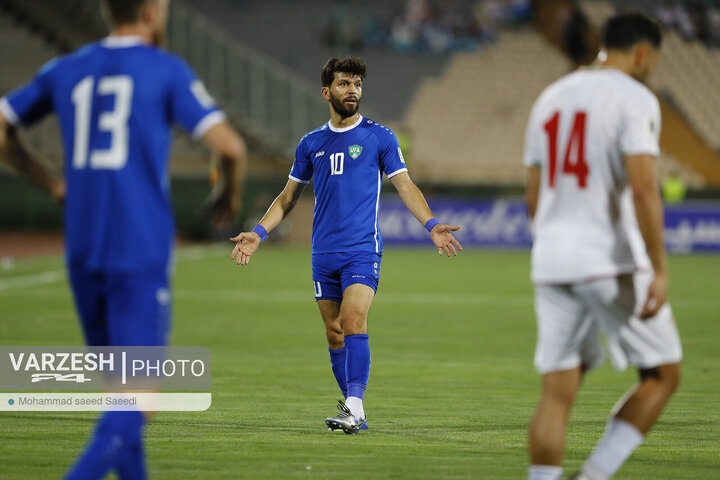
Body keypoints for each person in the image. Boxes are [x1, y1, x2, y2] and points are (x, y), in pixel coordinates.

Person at [0, 0, 246, 478]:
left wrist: (51, 183)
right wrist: (229, 195)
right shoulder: (164, 70)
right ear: (153, 12)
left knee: (120, 395)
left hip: (83, 249)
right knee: (136, 405)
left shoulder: (65, 68)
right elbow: (230, 147)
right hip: (139, 251)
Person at [230, 55, 461, 434]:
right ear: (327, 92)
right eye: (343, 84)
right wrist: (259, 232)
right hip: (323, 253)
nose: (352, 90)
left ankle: (353, 406)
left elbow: (405, 185)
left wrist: (432, 224)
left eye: (356, 84)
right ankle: (354, 408)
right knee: (334, 331)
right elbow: (288, 197)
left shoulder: (380, 138)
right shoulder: (311, 143)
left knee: (353, 321)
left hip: (361, 248)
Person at [522, 12, 682, 480]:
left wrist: (552, 243)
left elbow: (533, 194)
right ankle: (594, 475)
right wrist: (659, 268)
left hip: (551, 261)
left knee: (557, 392)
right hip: (608, 259)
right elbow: (643, 189)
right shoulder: (636, 98)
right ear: (643, 53)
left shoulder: (551, 96)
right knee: (662, 374)